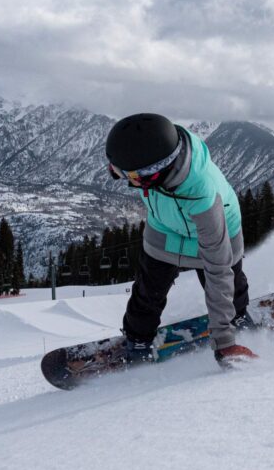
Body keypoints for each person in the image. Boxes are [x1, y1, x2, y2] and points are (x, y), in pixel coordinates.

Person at [106, 113, 258, 367]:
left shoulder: (202, 194)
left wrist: (224, 343)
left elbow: (218, 271)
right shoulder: (157, 159)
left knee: (229, 283)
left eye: (130, 176)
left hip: (218, 229)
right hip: (166, 227)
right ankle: (138, 339)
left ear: (154, 172)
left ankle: (237, 319)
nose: (126, 181)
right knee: (148, 289)